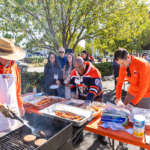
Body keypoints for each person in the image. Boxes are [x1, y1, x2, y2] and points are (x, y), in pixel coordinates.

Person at [114, 48, 150, 150]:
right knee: (124, 115)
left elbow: (143, 88)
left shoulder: (143, 64)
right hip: (132, 91)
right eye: (119, 64)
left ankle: (143, 145)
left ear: (129, 57)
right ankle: (123, 142)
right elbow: (119, 84)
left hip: (146, 93)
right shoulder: (122, 66)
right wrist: (118, 99)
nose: (121, 66)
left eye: (123, 63)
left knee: (144, 120)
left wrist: (133, 104)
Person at [70, 57, 108, 145]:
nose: (78, 69)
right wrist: (73, 92)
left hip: (96, 96)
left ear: (84, 63)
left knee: (98, 116)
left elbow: (94, 88)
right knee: (79, 115)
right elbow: (72, 83)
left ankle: (101, 135)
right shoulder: (73, 72)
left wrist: (88, 101)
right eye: (76, 67)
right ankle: (79, 135)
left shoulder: (94, 71)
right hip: (82, 95)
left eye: (80, 66)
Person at [0, 38, 25, 132]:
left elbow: (17, 89)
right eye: (7, 56)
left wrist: (20, 104)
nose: (10, 59)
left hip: (14, 109)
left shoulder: (15, 67)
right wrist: (0, 107)